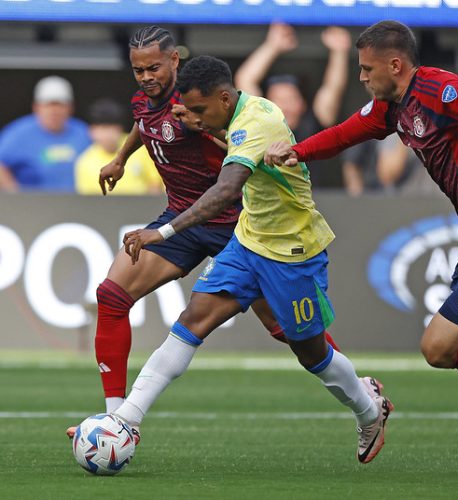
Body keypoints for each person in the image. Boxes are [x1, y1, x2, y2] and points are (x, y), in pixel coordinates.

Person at [64, 26, 342, 438]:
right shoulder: (144, 100)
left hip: (235, 225)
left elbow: (239, 147)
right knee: (112, 295)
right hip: (182, 217)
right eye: (138, 70)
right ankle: (116, 419)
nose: (146, 77)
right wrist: (121, 158)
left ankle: (359, 385)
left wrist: (203, 127)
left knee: (290, 331)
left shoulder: (198, 104)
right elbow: (145, 123)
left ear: (175, 60)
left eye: (154, 67)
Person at [115, 55, 393, 464]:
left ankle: (369, 410)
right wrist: (203, 126)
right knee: (192, 321)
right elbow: (227, 141)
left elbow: (226, 190)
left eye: (199, 110)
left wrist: (164, 231)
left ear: (225, 98)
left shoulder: (257, 122)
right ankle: (125, 419)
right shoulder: (235, 115)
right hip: (248, 244)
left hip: (293, 252)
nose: (193, 118)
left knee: (312, 354)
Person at [264, 20, 458, 426]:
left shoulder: (434, 88)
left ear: (395, 65)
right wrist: (297, 152)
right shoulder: (394, 108)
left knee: (439, 347)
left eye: (367, 69)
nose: (362, 77)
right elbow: (343, 134)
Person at [234, 23, 352, 187]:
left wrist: (339, 51)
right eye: (278, 100)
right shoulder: (262, 124)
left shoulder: (314, 123)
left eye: (290, 99)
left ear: (302, 104)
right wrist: (272, 46)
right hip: (269, 206)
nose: (285, 106)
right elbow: (245, 80)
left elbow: (333, 87)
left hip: (309, 205)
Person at [0, 76, 90, 192]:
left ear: (70, 108)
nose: (54, 111)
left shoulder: (83, 133)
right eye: (48, 105)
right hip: (34, 205)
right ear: (36, 107)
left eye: (60, 105)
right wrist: (15, 194)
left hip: (77, 204)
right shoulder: (18, 133)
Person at [75, 98, 162, 195]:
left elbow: (156, 184)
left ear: (120, 128)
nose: (107, 134)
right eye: (102, 128)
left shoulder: (140, 147)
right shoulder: (85, 161)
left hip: (142, 207)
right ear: (91, 131)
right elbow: (87, 200)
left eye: (111, 127)